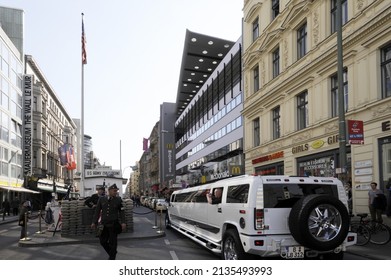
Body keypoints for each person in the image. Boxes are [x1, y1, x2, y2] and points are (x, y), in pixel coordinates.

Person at [91, 184, 126, 260]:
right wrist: (94, 222)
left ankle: (112, 258)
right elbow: (97, 211)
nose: (115, 192)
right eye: (114, 191)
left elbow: (122, 211)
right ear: (109, 191)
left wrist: (123, 222)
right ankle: (112, 252)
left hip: (114, 224)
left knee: (113, 243)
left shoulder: (118, 200)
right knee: (102, 241)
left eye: (116, 191)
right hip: (104, 224)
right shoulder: (102, 199)